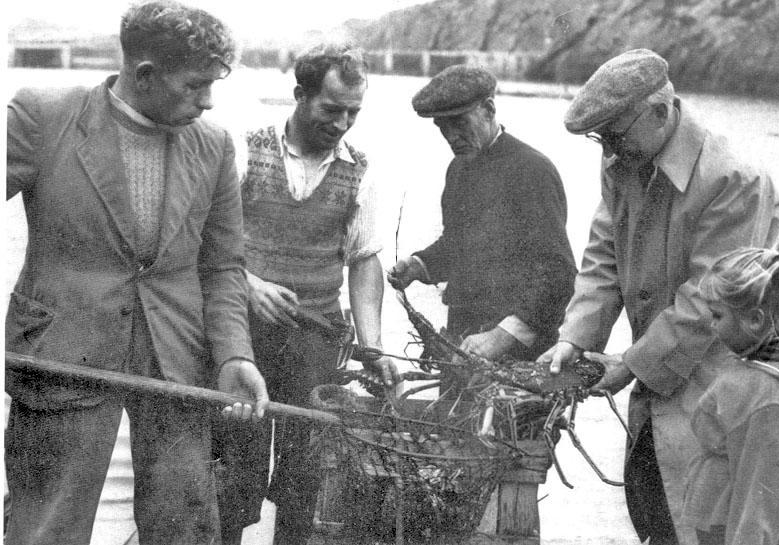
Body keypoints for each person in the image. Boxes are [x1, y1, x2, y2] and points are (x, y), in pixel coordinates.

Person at [5, 2, 269, 544]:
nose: (209, 100)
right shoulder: (42, 115)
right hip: (62, 358)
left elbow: (222, 268)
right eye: (196, 85)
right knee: (45, 529)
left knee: (185, 525)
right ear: (145, 75)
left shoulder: (215, 145)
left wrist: (234, 354)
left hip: (176, 364)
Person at [537, 49, 779, 545]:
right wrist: (572, 338)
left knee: (723, 523)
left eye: (614, 135)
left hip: (734, 389)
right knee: (658, 514)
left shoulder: (734, 178)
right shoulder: (626, 162)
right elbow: (604, 252)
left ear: (658, 112)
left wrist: (628, 364)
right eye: (600, 138)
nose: (607, 151)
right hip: (659, 388)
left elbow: (706, 304)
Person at [214, 43, 399, 545]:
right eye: (331, 109)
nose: (341, 124)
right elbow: (207, 240)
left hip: (314, 342)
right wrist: (247, 285)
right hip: (241, 334)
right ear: (299, 95)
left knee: (304, 477)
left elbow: (364, 261)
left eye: (353, 113)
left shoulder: (361, 169)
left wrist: (373, 345)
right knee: (234, 465)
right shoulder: (245, 147)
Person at [387, 64, 577, 368]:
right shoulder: (458, 168)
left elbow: (558, 274)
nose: (451, 135)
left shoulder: (532, 170)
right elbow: (457, 245)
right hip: (461, 344)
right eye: (442, 126)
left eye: (459, 123)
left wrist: (502, 337)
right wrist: (419, 265)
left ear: (489, 109)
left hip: (521, 356)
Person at [683, 238, 779, 545]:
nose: (711, 324)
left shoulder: (769, 396)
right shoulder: (753, 375)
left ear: (754, 320)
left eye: (717, 315)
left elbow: (763, 498)